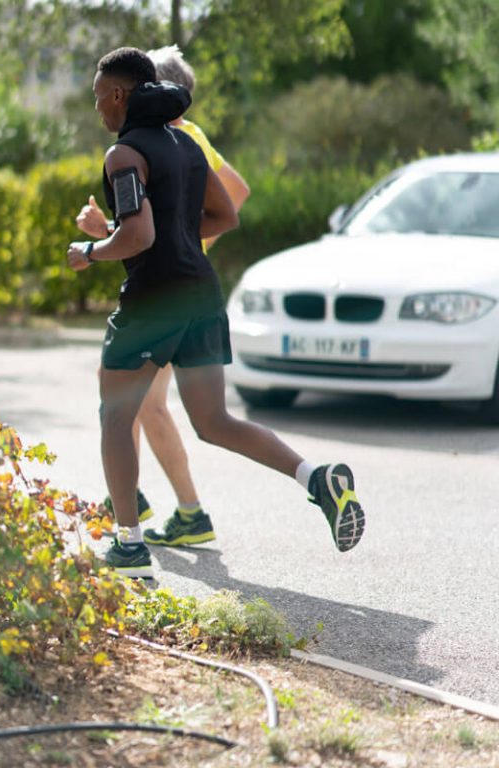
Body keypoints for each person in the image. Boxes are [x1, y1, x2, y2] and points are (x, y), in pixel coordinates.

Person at [67, 47, 365, 579]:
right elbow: (225, 215)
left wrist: (89, 251)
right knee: (215, 422)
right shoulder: (186, 145)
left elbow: (137, 233)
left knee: (116, 412)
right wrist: (175, 239)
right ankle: (314, 478)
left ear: (118, 94)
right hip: (202, 295)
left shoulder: (123, 156)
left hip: (154, 300)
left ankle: (130, 546)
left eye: (98, 98)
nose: (97, 109)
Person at [76, 44, 250, 548]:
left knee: (141, 405)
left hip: (171, 293)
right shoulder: (177, 136)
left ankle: (168, 511)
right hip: (183, 286)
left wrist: (183, 243)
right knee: (143, 404)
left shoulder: (176, 136)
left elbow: (229, 197)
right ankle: (150, 504)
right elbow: (220, 201)